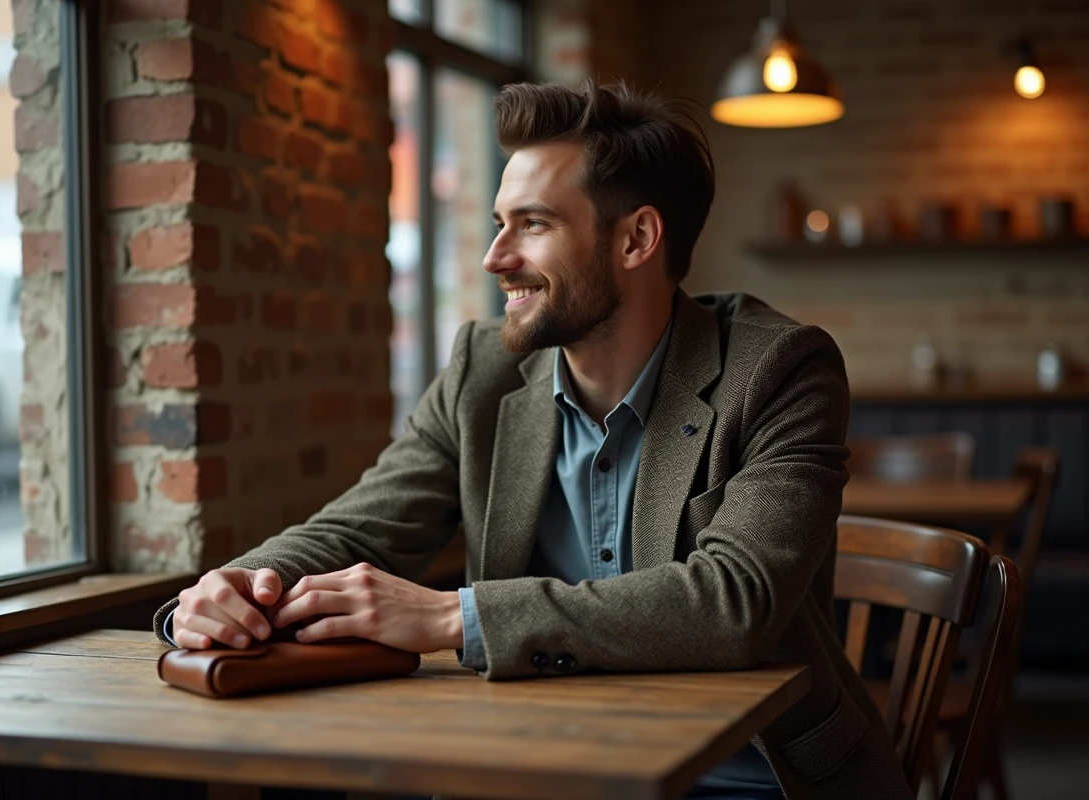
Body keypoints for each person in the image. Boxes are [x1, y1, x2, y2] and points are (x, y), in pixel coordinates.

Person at [153, 80, 911, 800]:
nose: (496, 257)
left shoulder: (778, 368)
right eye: (498, 222)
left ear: (637, 238)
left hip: (747, 777)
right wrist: (230, 590)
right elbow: (359, 529)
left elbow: (734, 600)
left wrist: (453, 618)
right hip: (544, 762)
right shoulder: (481, 371)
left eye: (534, 224)